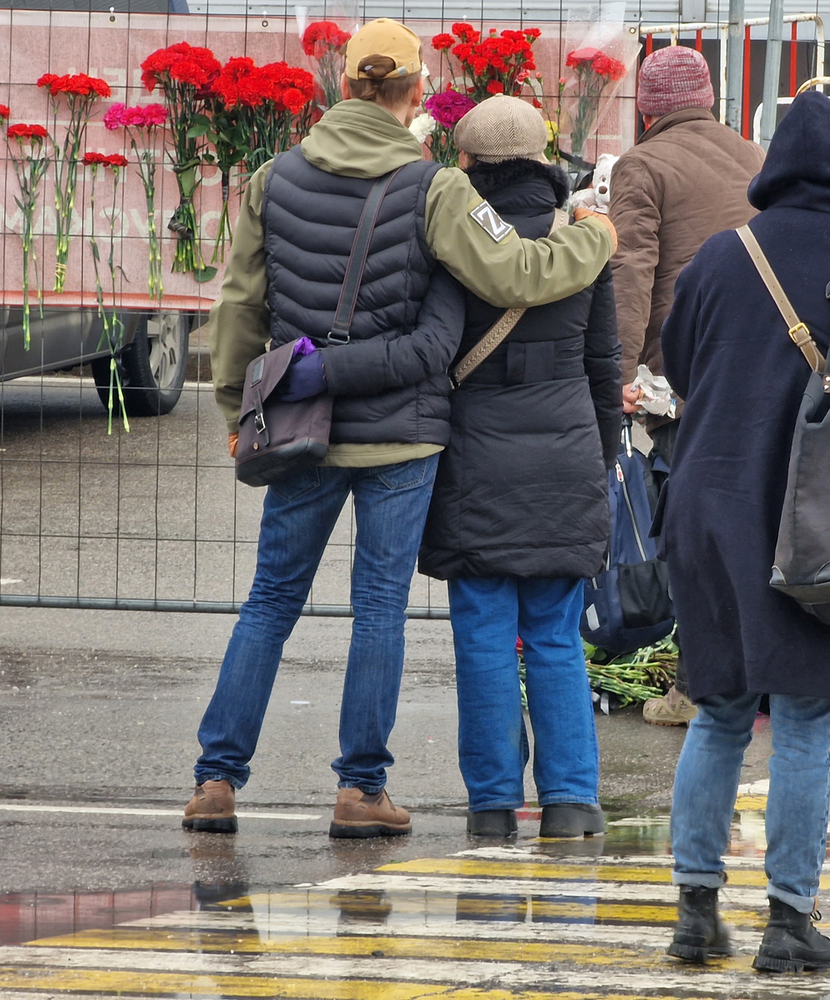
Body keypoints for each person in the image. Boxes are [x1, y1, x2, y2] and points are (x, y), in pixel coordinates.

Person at [189, 18, 618, 840]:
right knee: (379, 606)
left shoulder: (273, 180)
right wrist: (595, 240)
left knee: (271, 599)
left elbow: (240, 308)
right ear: (414, 92)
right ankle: (360, 789)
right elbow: (518, 270)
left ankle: (216, 777)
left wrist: (237, 414)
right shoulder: (435, 189)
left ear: (342, 84)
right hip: (402, 438)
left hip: (298, 425)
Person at [658, 90, 830, 971]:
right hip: (815, 515)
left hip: (707, 504)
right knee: (808, 719)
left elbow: (678, 364)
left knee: (720, 712)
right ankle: (788, 922)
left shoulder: (716, 256)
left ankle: (696, 915)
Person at [418, 96, 623, 840]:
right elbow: (605, 366)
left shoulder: (455, 241)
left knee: (481, 634)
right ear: (542, 160)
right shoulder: (584, 241)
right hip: (567, 453)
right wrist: (594, 460)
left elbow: (436, 354)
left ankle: (494, 804)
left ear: (467, 164)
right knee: (557, 637)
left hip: (476, 463)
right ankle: (570, 802)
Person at [605, 44, 765, 729]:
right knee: (751, 524)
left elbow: (631, 273)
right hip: (765, 362)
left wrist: (615, 373)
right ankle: (758, 668)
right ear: (708, 97)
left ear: (646, 107)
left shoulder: (642, 165)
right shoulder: (756, 157)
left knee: (690, 531)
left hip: (686, 367)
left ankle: (699, 681)